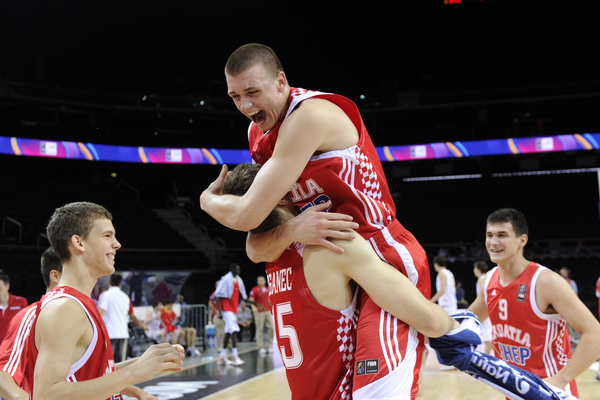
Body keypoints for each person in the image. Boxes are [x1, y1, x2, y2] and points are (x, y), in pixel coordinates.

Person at [201, 43, 431, 398]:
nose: (245, 106)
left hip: (383, 253)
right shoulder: (257, 135)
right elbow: (255, 241)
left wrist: (208, 201)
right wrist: (289, 229)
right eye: (235, 96)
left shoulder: (311, 115)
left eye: (252, 92)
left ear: (281, 82)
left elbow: (248, 213)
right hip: (334, 262)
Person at [221, 162, 462, 399]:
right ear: (282, 196)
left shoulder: (269, 258)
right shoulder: (332, 243)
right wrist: (459, 326)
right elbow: (427, 320)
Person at [17, 202, 184, 400]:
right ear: (79, 243)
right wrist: (133, 372)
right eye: (107, 235)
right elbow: (47, 395)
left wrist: (146, 362)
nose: (117, 243)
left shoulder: (79, 302)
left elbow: (93, 374)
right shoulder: (64, 308)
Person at [468, 208, 600, 398]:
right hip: (513, 388)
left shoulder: (546, 281)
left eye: (502, 235)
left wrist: (560, 380)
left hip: (549, 389)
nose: (493, 242)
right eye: (489, 235)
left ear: (522, 240)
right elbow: (465, 323)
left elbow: (595, 334)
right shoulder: (489, 281)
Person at [98, 273, 148, 363]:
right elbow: (133, 317)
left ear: (109, 283)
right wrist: (144, 326)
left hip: (109, 334)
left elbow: (99, 314)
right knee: (121, 363)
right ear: (121, 284)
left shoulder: (105, 295)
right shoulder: (125, 297)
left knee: (108, 363)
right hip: (123, 334)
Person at [214, 264, 248, 366]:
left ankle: (222, 357)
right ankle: (235, 356)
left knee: (228, 332)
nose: (239, 270)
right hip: (226, 309)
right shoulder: (225, 279)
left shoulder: (238, 280)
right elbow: (217, 296)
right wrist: (220, 312)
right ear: (232, 269)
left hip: (233, 309)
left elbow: (244, 297)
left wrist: (256, 304)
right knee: (234, 331)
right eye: (237, 269)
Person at [0, 274, 28, 344]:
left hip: (15, 347)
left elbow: (27, 325)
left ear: (7, 286)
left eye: (0, 288)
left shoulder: (21, 302)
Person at [248, 275, 273, 354]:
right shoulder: (255, 290)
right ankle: (260, 346)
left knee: (271, 327)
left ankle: (269, 345)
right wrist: (253, 307)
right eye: (260, 280)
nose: (262, 281)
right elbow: (251, 300)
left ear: (265, 281)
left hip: (267, 311)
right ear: (258, 281)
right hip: (259, 312)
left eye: (263, 280)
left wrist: (271, 308)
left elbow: (269, 300)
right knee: (260, 329)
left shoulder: (267, 289)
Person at [473, 260, 493, 355]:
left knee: (487, 334)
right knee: (487, 334)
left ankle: (488, 356)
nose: (474, 270)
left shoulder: (482, 279)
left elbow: (485, 296)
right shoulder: (485, 278)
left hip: (485, 308)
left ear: (479, 269)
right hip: (487, 308)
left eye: (475, 268)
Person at [208, 281, 226, 352]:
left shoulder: (225, 293)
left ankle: (228, 345)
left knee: (227, 331)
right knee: (219, 331)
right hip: (217, 314)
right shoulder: (214, 294)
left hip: (226, 314)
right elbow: (210, 304)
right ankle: (220, 346)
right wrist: (211, 315)